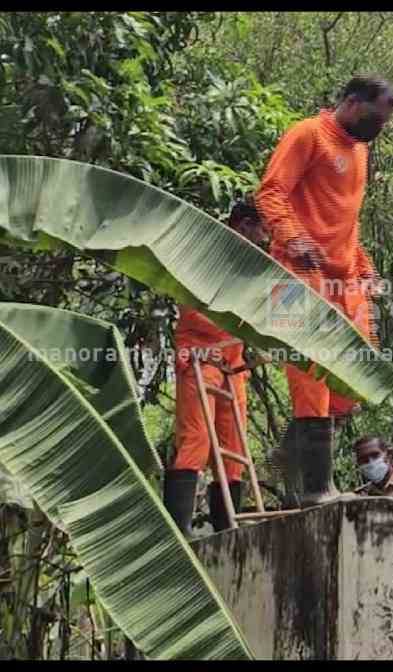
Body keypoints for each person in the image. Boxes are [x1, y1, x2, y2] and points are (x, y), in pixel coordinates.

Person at [255, 75, 393, 507]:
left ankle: (285, 453)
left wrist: (363, 266)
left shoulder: (361, 150)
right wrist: (292, 236)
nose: (380, 128)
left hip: (344, 277)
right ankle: (317, 490)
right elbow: (271, 193)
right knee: (312, 378)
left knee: (346, 387)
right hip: (297, 272)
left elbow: (347, 221)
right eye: (375, 118)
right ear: (352, 103)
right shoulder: (307, 134)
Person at [163, 198, 268, 537]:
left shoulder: (253, 265)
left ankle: (227, 529)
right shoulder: (206, 255)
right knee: (197, 440)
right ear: (244, 226)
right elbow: (194, 312)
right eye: (262, 230)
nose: (265, 239)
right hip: (200, 359)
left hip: (232, 366)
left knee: (234, 450)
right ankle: (178, 529)